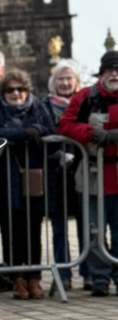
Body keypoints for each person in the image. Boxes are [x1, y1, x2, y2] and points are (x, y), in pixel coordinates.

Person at [0, 69, 54, 299]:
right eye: (10, 90)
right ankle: (17, 279)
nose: (15, 94)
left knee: (33, 230)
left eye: (20, 89)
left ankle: (34, 278)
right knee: (11, 230)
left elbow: (51, 128)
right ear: (3, 93)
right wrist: (23, 133)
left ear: (27, 90)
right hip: (6, 178)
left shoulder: (37, 107)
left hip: (33, 177)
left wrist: (37, 130)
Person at [58, 51, 118, 296]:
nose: (114, 75)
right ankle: (99, 277)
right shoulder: (85, 97)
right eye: (110, 70)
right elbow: (65, 124)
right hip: (93, 173)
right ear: (101, 73)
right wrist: (92, 134)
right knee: (94, 231)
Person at [44, 60, 84, 292]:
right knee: (59, 228)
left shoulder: (84, 103)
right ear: (54, 82)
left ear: (77, 82)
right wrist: (57, 152)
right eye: (61, 78)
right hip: (55, 174)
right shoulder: (44, 105)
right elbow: (43, 130)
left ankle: (89, 273)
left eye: (69, 78)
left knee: (85, 225)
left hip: (80, 170)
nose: (65, 82)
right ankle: (63, 274)